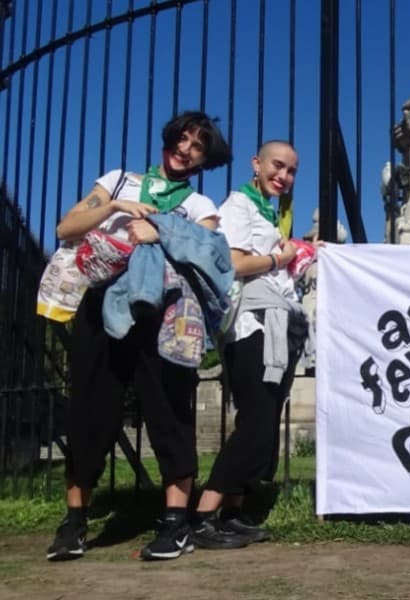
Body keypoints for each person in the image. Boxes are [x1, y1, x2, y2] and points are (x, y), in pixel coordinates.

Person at [46, 111, 233, 561]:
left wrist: (161, 228)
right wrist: (113, 207)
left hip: (166, 311)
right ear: (169, 137)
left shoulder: (199, 206)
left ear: (204, 160)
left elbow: (208, 254)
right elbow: (66, 228)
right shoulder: (117, 181)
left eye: (197, 147)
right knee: (90, 405)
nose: (185, 149)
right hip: (103, 299)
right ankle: (75, 521)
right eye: (182, 138)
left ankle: (174, 523)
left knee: (169, 409)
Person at [190, 140, 308, 548]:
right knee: (257, 421)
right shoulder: (238, 206)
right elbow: (236, 263)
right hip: (252, 326)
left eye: (291, 171)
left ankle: (233, 513)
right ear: (256, 163)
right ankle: (204, 515)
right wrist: (280, 259)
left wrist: (300, 251)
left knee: (259, 420)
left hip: (274, 321)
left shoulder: (268, 211)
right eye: (278, 166)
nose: (284, 176)